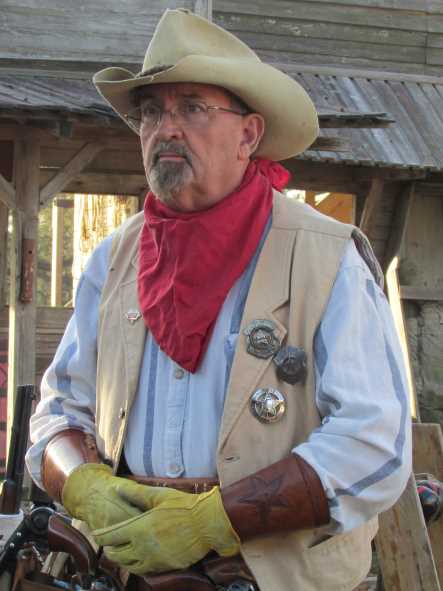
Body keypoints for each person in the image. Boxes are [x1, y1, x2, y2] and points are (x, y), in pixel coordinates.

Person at [26, 9, 412, 591]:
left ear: (249, 136)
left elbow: (374, 444)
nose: (166, 129)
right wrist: (84, 485)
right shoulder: (114, 259)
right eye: (151, 112)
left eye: (192, 108)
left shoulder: (326, 256)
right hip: (129, 573)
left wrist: (214, 520)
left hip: (272, 576)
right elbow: (59, 409)